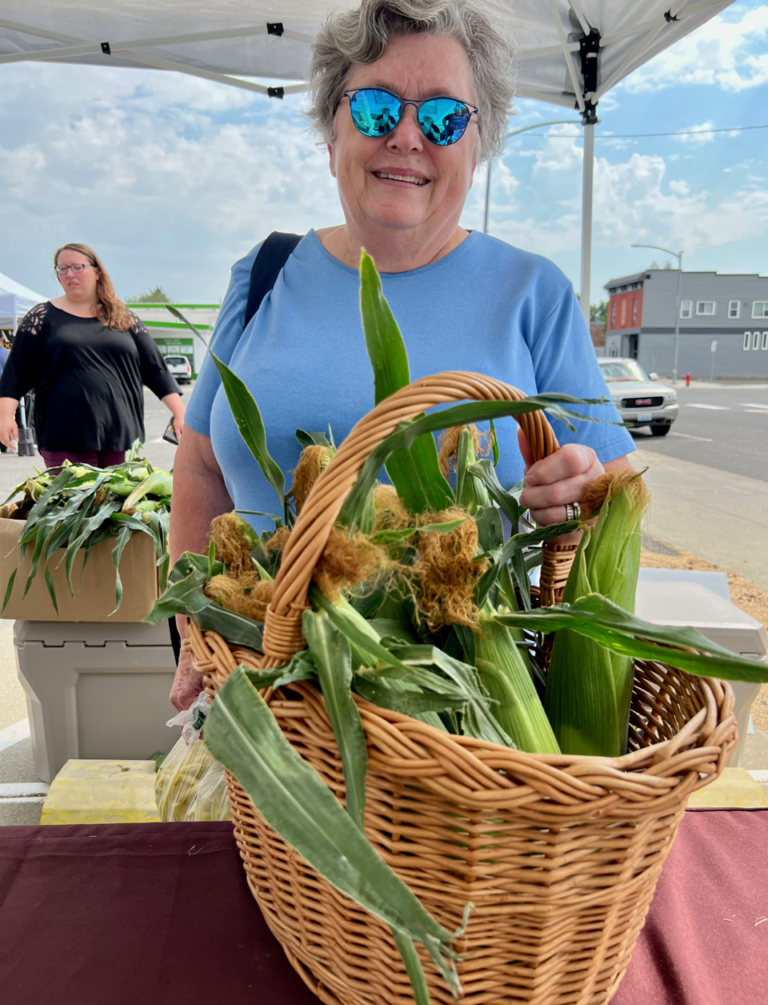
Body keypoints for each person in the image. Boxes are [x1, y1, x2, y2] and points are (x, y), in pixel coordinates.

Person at [168, 0, 637, 711]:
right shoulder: (263, 274)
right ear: (332, 132)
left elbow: (616, 497)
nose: (409, 136)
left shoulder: (533, 293)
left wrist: (575, 507)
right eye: (377, 110)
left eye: (445, 116)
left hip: (464, 726)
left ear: (476, 148)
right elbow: (200, 465)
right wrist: (190, 628)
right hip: (260, 704)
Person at [0, 243, 185, 469]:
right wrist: (5, 416)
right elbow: (16, 372)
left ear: (97, 272)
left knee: (118, 504)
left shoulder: (124, 318)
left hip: (120, 433)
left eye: (78, 267)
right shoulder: (42, 317)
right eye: (62, 269)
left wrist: (180, 413)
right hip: (64, 434)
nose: (70, 274)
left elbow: (155, 369)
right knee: (74, 502)